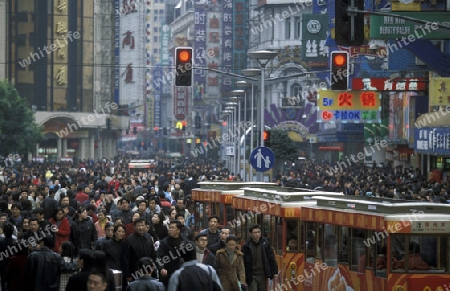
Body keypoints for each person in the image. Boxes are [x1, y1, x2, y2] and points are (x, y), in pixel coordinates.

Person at [242, 224, 278, 291]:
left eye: (259, 232)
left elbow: (271, 258)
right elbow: (243, 262)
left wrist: (274, 271)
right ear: (250, 234)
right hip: (252, 275)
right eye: (255, 232)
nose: (257, 234)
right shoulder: (246, 246)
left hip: (263, 274)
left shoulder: (265, 244)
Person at [122, 217, 156, 287]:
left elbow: (153, 254)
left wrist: (154, 268)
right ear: (134, 227)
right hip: (134, 272)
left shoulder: (148, 237)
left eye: (142, 225)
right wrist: (128, 275)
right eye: (138, 225)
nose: (141, 227)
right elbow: (126, 259)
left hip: (148, 272)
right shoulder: (129, 239)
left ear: (145, 226)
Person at [157, 220, 191, 287]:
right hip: (167, 271)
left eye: (172, 228)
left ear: (178, 230)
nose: (170, 229)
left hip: (181, 272)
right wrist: (161, 268)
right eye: (169, 227)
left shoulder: (185, 242)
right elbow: (159, 256)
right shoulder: (164, 242)